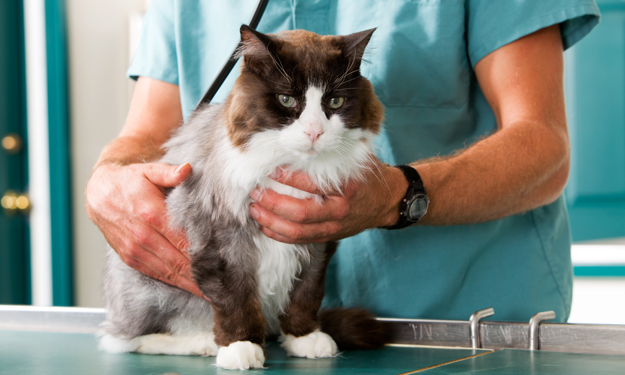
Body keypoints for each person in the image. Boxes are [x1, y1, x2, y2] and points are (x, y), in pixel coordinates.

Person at [86, 0, 600, 322]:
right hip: (260, 335)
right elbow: (146, 136)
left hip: (466, 325)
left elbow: (544, 147)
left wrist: (396, 197)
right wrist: (107, 182)